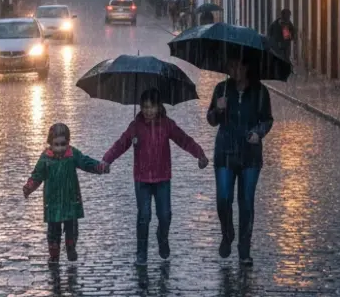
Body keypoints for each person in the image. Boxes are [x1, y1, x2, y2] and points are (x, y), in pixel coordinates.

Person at [102, 89, 209, 266]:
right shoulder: (135, 126)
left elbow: (184, 140)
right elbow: (121, 144)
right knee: (144, 216)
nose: (148, 111)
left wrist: (199, 154)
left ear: (159, 107)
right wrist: (107, 159)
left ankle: (162, 237)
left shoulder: (167, 124)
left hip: (162, 178)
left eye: (151, 107)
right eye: (144, 107)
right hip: (142, 179)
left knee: (165, 215)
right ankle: (141, 253)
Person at [207, 57, 273, 266]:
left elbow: (267, 119)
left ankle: (244, 248)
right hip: (225, 152)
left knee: (246, 202)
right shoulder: (221, 89)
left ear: (247, 67)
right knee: (223, 198)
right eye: (231, 65)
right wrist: (218, 109)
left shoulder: (260, 92)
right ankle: (227, 233)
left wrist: (258, 132)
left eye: (238, 66)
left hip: (250, 155)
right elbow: (211, 120)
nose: (233, 69)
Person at [23, 123, 110, 265]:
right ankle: (54, 254)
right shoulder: (45, 158)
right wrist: (29, 186)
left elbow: (85, 162)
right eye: (56, 144)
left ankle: (71, 247)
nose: (60, 148)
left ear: (68, 142)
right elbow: (37, 175)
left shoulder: (72, 154)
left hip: (70, 198)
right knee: (53, 229)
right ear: (50, 143)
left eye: (63, 144)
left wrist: (99, 167)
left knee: (72, 226)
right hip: (53, 200)